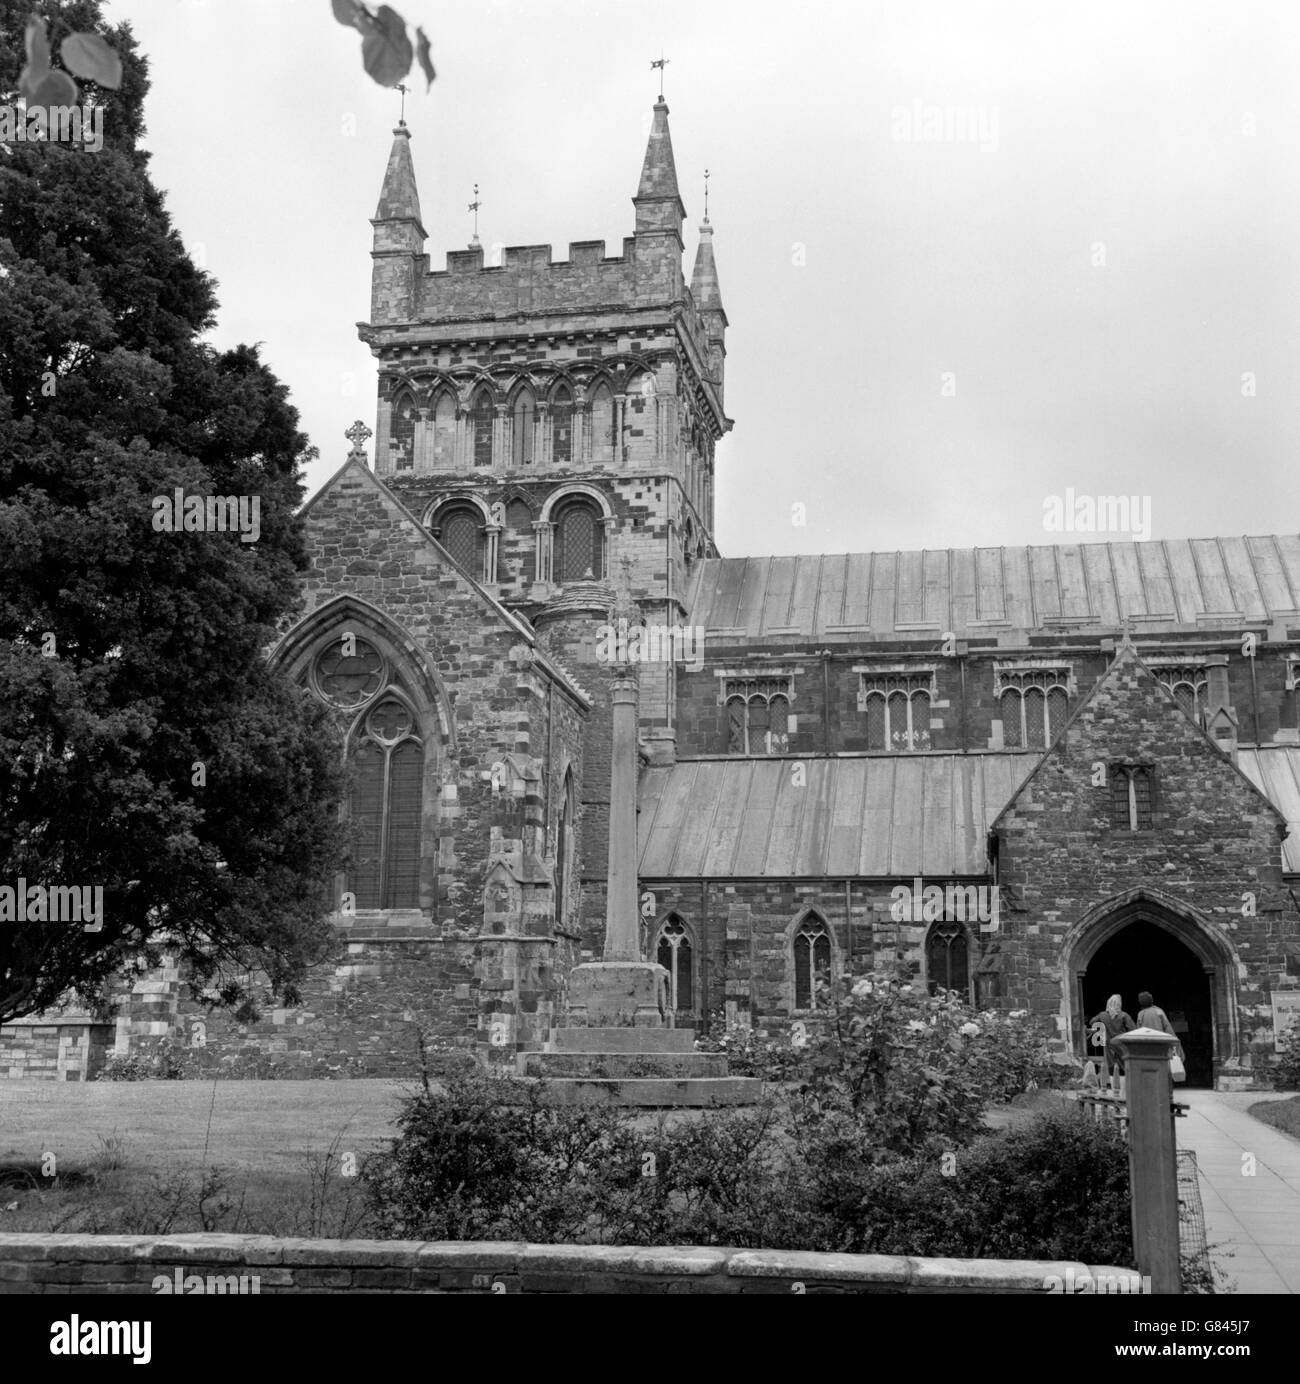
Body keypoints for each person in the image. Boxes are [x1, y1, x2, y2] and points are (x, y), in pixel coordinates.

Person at [1090, 993, 1135, 1076]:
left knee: (1111, 1064)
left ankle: (1113, 1083)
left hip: (1109, 1043)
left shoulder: (1103, 1015)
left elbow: (1092, 1022)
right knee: (1124, 1063)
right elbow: (1133, 1029)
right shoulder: (1124, 1015)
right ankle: (1126, 1082)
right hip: (1121, 1043)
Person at [1136, 991, 1185, 1063]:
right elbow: (1169, 1030)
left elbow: (1138, 1034)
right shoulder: (1158, 1011)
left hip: (1147, 1048)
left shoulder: (1140, 1014)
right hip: (1161, 1046)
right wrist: (1177, 1046)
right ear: (1152, 1000)